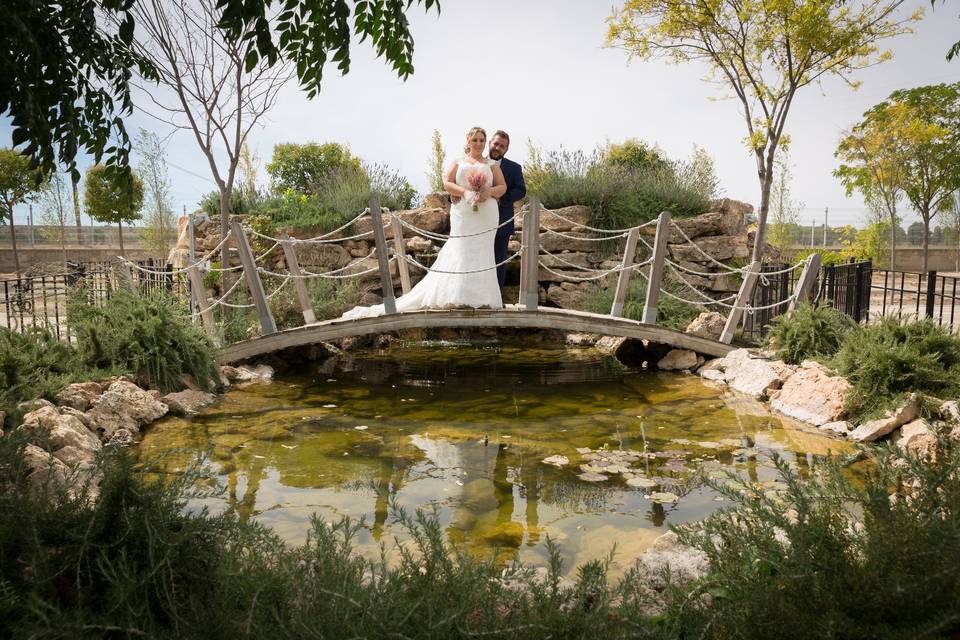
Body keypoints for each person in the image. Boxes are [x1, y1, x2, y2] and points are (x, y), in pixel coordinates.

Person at [340, 127, 506, 319]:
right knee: (462, 247)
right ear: (468, 141)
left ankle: (483, 297)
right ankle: (458, 295)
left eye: (481, 140)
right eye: (475, 140)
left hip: (485, 213)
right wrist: (465, 192)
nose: (478, 143)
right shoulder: (458, 161)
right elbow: (447, 183)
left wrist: (488, 192)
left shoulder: (491, 164)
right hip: (464, 212)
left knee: (482, 250)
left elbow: (502, 187)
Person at [486, 131, 526, 288]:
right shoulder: (477, 162)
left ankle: (496, 299)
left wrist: (502, 198)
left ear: (506, 150)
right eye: (496, 144)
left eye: (502, 146)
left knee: (499, 261)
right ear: (490, 143)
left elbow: (521, 190)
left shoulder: (514, 168)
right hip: (477, 221)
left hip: (502, 222)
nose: (498, 148)